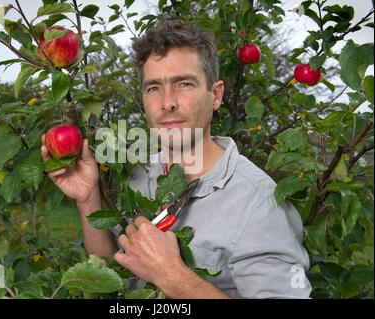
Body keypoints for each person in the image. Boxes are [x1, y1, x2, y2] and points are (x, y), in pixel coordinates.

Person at [41, 21, 312, 299]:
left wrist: (175, 278)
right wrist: (88, 199)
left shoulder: (260, 204)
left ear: (216, 94)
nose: (167, 102)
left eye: (184, 83)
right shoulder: (139, 174)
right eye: (154, 87)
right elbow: (113, 272)